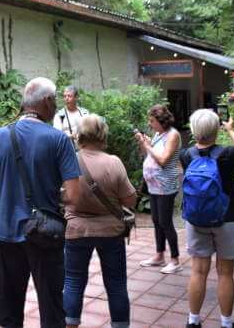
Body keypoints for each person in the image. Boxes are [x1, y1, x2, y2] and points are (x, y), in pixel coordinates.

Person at [0, 77, 80, 328]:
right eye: (55, 100)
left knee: (10, 307)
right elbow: (74, 196)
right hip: (44, 234)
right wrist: (46, 191)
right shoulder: (59, 140)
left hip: (7, 233)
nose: (56, 105)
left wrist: (11, 188)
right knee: (51, 306)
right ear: (46, 101)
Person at [63, 114, 137, 328]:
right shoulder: (113, 162)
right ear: (103, 134)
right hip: (111, 231)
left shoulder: (70, 160)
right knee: (116, 284)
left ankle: (70, 324)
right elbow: (130, 200)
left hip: (76, 229)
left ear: (80, 135)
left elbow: (60, 195)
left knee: (73, 282)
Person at [181, 109, 234, 328]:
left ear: (194, 131)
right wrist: (231, 130)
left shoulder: (186, 155)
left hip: (196, 218)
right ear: (216, 130)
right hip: (227, 217)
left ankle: (193, 321)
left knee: (198, 270)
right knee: (225, 272)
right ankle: (226, 323)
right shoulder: (229, 154)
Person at [135, 104, 182, 274]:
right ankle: (159, 255)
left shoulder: (173, 135)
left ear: (162, 121)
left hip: (166, 185)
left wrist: (148, 146)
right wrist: (144, 143)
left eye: (152, 120)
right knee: (156, 220)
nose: (150, 123)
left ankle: (175, 260)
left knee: (165, 222)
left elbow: (162, 160)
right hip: (154, 185)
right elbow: (148, 154)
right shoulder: (158, 133)